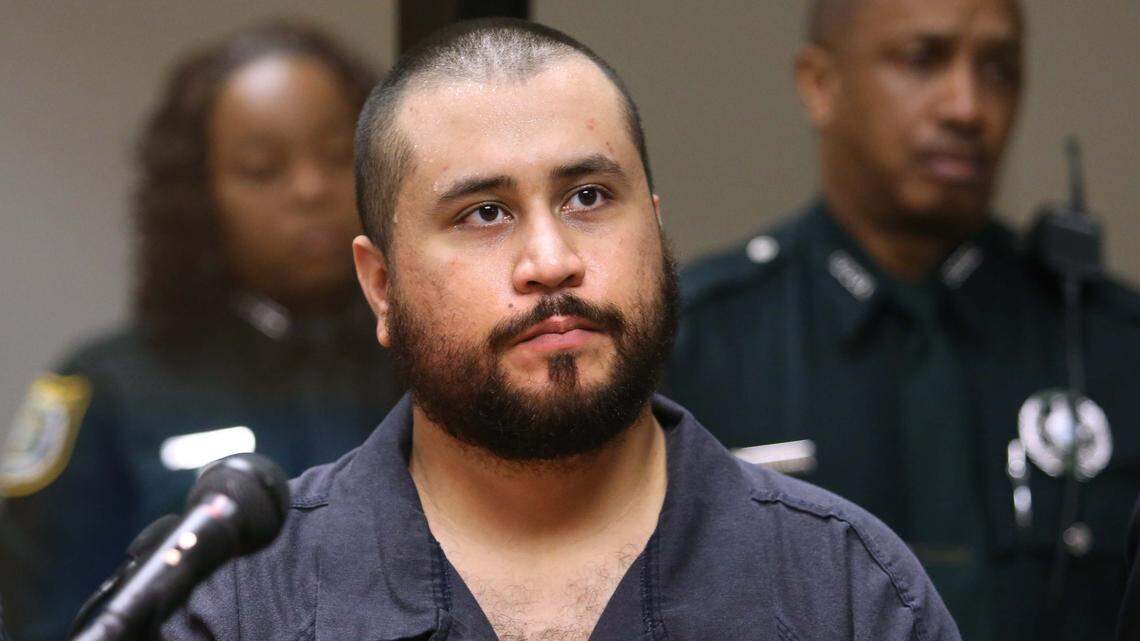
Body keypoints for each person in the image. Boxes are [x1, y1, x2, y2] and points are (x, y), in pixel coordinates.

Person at [158, 18, 959, 641]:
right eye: (484, 213)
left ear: (656, 231)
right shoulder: (243, 604)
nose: (551, 260)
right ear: (381, 286)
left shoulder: (846, 590)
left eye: (587, 198)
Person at [665, 1, 1140, 639]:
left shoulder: (1112, 345)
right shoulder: (698, 346)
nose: (967, 107)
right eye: (923, 59)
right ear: (820, 85)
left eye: (999, 69)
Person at [0, 22, 404, 640]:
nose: (310, 189)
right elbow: (45, 614)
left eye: (335, 154)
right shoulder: (109, 387)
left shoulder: (427, 358)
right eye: (262, 169)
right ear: (199, 195)